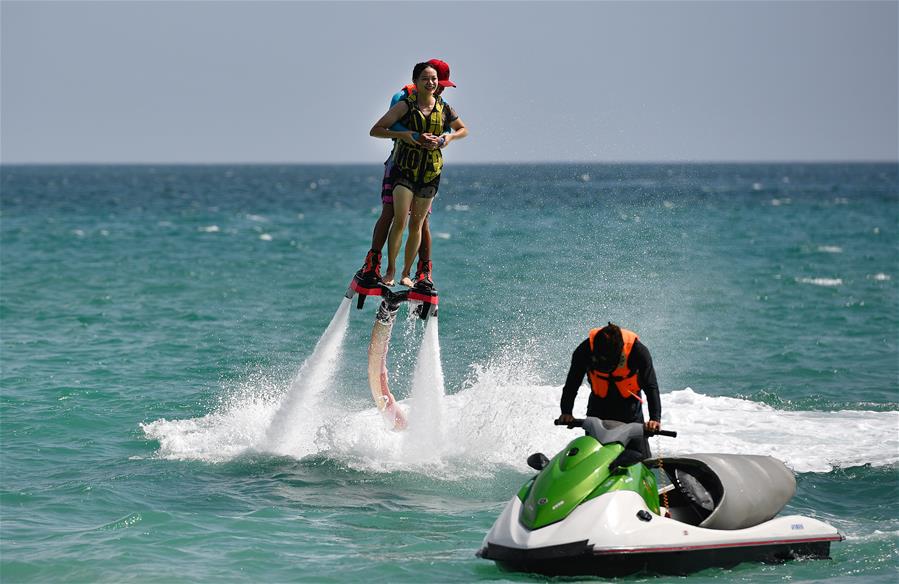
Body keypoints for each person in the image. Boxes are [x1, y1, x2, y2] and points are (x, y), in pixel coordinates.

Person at [356, 59, 457, 291]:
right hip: (399, 162)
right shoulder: (402, 98)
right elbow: (390, 126)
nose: (440, 89)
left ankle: (423, 271)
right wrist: (416, 135)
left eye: (439, 84)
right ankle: (374, 264)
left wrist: (443, 138)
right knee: (390, 212)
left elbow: (449, 128)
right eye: (438, 83)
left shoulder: (440, 105)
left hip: (426, 168)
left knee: (422, 222)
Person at [556, 322, 662, 458]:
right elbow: (572, 384)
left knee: (639, 456)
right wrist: (566, 412)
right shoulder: (584, 350)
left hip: (630, 410)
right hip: (598, 407)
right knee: (593, 456)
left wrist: (654, 418)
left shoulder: (637, 351)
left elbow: (651, 386)